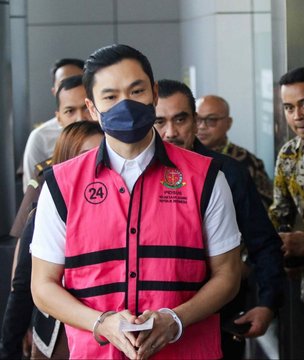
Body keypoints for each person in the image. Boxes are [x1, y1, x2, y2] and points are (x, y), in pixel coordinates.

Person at [30, 44, 241, 360]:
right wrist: (101, 324)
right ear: (91, 107)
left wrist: (175, 320)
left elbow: (228, 275)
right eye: (110, 97)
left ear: (154, 93)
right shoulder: (61, 184)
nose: (125, 105)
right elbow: (43, 285)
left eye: (136, 91)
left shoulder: (206, 177)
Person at [154, 79, 285, 360]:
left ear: (194, 120)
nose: (170, 132)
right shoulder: (137, 175)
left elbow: (263, 242)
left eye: (180, 119)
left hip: (221, 316)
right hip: (151, 322)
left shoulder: (226, 173)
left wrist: (267, 303)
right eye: (159, 122)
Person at [0, 121, 104, 360]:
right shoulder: (48, 212)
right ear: (67, 161)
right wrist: (9, 348)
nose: (95, 164)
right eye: (84, 157)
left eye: (102, 154)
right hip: (59, 340)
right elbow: (24, 285)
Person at [268, 65, 304, 358]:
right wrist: (283, 249)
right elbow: (278, 214)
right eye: (288, 108)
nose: (297, 116)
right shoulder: (289, 154)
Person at [11, 75, 92, 240]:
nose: (80, 118)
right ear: (59, 119)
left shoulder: (122, 160)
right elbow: (22, 242)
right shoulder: (46, 175)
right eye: (70, 111)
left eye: (85, 108)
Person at [196, 95, 273, 207]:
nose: (202, 126)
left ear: (228, 123)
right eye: (197, 120)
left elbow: (262, 209)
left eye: (211, 120)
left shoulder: (247, 162)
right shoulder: (185, 156)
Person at [22, 58, 84, 191]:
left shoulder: (110, 132)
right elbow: (32, 190)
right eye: (70, 111)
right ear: (54, 91)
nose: (80, 118)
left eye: (78, 80)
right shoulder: (40, 137)